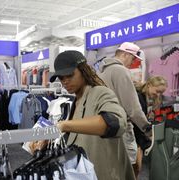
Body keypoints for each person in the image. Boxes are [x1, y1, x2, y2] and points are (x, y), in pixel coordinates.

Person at [50, 50, 135, 180]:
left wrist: (65, 125)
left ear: (84, 71)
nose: (65, 81)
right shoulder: (76, 100)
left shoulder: (100, 93)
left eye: (70, 75)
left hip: (104, 173)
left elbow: (116, 122)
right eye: (61, 78)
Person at [97, 42, 152, 175]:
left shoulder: (101, 71)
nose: (133, 63)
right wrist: (146, 127)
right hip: (121, 127)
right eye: (133, 58)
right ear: (125, 54)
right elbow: (132, 106)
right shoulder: (121, 70)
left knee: (113, 167)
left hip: (105, 126)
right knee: (131, 168)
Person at [133, 76, 167, 178]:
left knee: (137, 168)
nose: (158, 94)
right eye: (157, 91)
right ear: (149, 85)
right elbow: (137, 124)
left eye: (161, 92)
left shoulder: (146, 98)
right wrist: (146, 142)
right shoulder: (139, 98)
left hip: (137, 137)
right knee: (136, 168)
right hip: (132, 136)